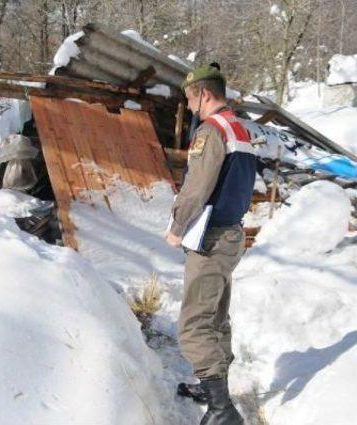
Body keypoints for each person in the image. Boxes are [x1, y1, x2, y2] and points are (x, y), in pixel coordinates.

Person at [165, 63, 256, 425]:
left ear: (203, 93)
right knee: (217, 318)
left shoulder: (210, 130)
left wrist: (176, 226)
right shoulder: (240, 129)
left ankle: (222, 410)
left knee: (193, 325)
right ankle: (214, 385)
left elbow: (196, 187)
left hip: (211, 237)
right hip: (232, 233)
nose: (189, 107)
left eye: (190, 99)